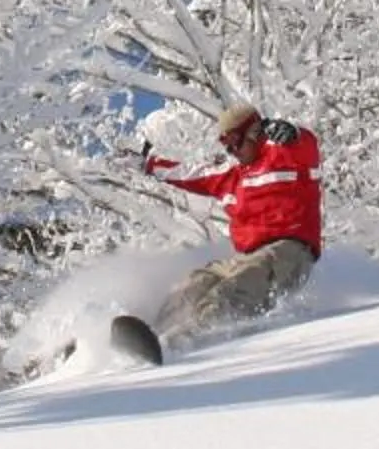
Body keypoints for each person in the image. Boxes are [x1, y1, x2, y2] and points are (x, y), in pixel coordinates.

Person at [137, 99, 322, 346]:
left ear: (255, 133)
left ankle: (185, 340)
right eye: (226, 145)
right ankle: (149, 337)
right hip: (247, 257)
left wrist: (292, 133)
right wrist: (147, 165)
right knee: (195, 284)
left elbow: (306, 146)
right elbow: (189, 173)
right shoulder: (231, 176)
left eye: (234, 141)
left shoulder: (286, 154)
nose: (231, 151)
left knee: (230, 290)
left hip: (288, 252)